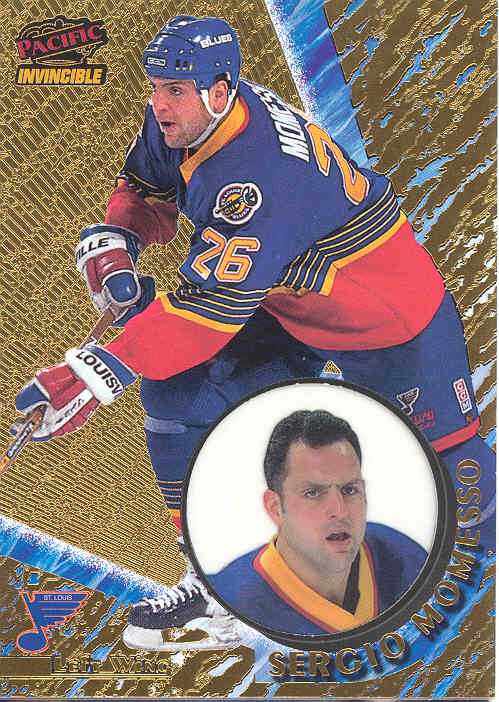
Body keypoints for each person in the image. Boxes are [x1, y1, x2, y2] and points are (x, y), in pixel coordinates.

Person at [13, 15, 494, 650]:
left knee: (460, 485)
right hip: (288, 295)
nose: (159, 104)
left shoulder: (258, 179)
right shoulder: (193, 114)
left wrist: (97, 371)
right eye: (156, 87)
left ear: (219, 92)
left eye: (173, 90)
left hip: (387, 320)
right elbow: (145, 190)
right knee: (178, 395)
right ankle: (216, 587)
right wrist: (115, 240)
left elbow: (205, 318)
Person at [207, 410, 428, 636]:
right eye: (313, 493)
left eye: (350, 490)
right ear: (275, 507)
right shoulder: (224, 606)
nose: (339, 511)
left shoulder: (403, 558)